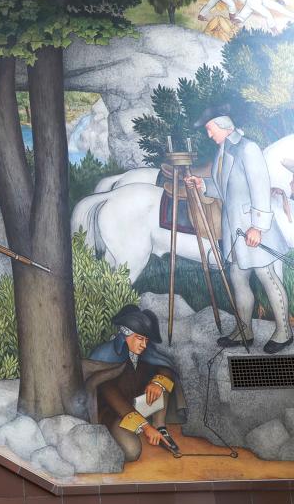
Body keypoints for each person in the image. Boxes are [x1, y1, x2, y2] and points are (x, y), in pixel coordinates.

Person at [185, 107, 293, 353]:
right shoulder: (223, 150)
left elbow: (259, 187)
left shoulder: (248, 148)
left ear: (222, 124)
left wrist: (258, 227)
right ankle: (244, 329)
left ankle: (284, 332)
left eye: (210, 128)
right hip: (235, 233)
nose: (209, 134)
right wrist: (203, 184)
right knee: (238, 277)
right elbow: (225, 191)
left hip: (253, 230)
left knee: (267, 276)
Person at [83, 305, 185, 461]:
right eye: (140, 338)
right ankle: (146, 430)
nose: (144, 345)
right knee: (132, 452)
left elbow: (165, 368)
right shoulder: (105, 355)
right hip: (114, 414)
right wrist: (145, 427)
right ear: (125, 334)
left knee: (161, 384)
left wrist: (157, 384)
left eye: (146, 340)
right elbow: (113, 398)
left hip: (136, 405)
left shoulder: (145, 351)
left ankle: (160, 428)